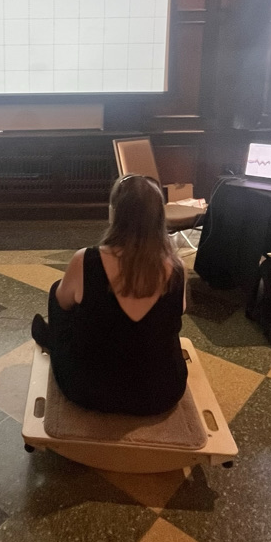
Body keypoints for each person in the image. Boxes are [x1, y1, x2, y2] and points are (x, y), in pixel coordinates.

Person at [31, 173, 187, 415]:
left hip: (88, 390)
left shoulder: (86, 260)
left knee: (58, 292)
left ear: (114, 213)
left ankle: (53, 340)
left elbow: (62, 303)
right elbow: (179, 312)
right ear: (159, 217)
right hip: (162, 392)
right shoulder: (177, 268)